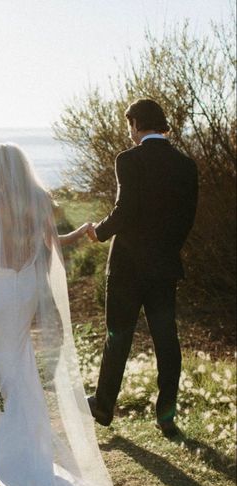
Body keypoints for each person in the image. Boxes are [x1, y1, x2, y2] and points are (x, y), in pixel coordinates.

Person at [0, 143, 143, 486]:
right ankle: (18, 441)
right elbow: (51, 243)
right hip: (25, 294)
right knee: (19, 364)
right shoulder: (38, 200)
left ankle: (8, 446)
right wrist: (79, 233)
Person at [86, 98, 198, 438]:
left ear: (135, 123)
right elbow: (187, 218)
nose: (130, 133)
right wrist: (167, 250)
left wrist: (99, 232)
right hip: (164, 267)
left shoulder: (128, 160)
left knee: (117, 336)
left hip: (127, 269)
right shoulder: (186, 164)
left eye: (129, 125)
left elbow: (125, 209)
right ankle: (166, 415)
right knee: (167, 340)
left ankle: (104, 406)